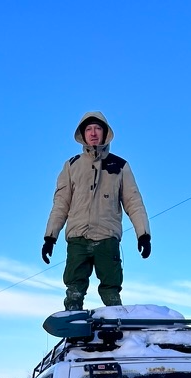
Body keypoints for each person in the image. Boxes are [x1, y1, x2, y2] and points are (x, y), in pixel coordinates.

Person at [42, 111, 151, 310]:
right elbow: (60, 204)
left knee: (111, 289)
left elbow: (133, 202)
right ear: (83, 134)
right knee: (74, 287)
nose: (93, 133)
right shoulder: (71, 166)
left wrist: (143, 234)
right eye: (89, 129)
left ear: (105, 133)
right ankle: (73, 327)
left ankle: (117, 324)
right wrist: (50, 237)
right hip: (78, 238)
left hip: (107, 238)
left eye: (97, 128)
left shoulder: (120, 166)